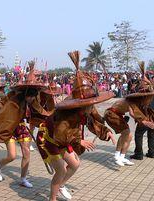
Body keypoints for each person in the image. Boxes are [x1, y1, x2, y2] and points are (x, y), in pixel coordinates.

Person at [36, 51, 116, 201]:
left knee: (74, 164)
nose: (91, 106)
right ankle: (52, 198)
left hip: (64, 139)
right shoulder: (67, 112)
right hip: (49, 138)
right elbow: (60, 134)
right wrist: (79, 141)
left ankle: (60, 185)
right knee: (60, 170)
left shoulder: (88, 106)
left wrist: (106, 132)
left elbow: (93, 122)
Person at [0, 61, 53, 188]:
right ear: (25, 94)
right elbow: (3, 114)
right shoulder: (13, 100)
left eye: (33, 96)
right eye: (29, 97)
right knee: (12, 156)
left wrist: (53, 116)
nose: (31, 99)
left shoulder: (34, 100)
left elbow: (41, 112)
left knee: (26, 153)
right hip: (10, 127)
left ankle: (23, 179)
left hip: (22, 127)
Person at [104, 62, 154, 166]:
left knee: (130, 136)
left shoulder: (142, 100)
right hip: (111, 114)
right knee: (127, 133)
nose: (149, 98)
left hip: (121, 115)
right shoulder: (133, 99)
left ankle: (122, 157)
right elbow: (132, 113)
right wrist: (145, 122)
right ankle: (117, 155)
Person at [130, 94, 154, 160]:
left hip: (147, 118)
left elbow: (135, 111)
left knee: (138, 134)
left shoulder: (143, 96)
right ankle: (152, 153)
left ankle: (138, 154)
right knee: (152, 135)